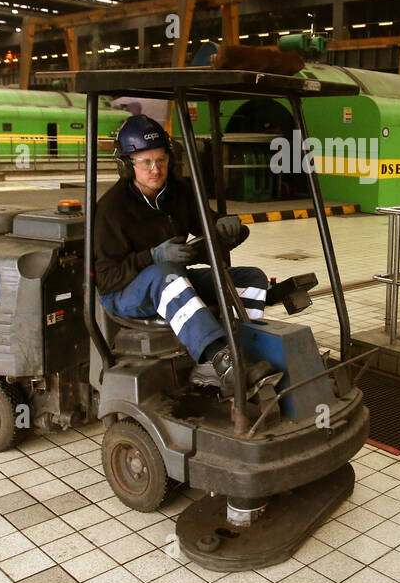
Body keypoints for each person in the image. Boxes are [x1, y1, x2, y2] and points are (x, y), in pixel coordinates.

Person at [94, 114, 275, 398]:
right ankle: (223, 365)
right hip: (123, 294)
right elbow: (106, 279)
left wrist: (227, 227)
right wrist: (152, 257)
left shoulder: (178, 192)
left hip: (170, 280)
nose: (156, 170)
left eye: (162, 160)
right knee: (168, 275)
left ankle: (243, 355)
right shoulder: (110, 210)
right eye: (145, 162)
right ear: (127, 166)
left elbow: (208, 227)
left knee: (252, 279)